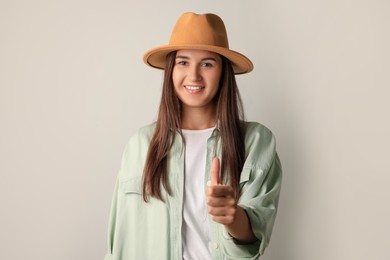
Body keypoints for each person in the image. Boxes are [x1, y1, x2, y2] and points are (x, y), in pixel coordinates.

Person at [104, 12, 282, 260]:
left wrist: (233, 217)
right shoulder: (139, 145)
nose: (194, 75)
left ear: (223, 72)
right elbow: (118, 243)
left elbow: (254, 240)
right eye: (183, 62)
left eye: (207, 63)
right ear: (171, 70)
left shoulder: (255, 142)